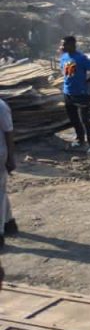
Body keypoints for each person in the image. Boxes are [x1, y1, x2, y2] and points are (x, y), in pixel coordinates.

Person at [59, 36, 90, 151]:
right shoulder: (63, 57)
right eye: (61, 44)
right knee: (74, 119)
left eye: (64, 44)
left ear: (72, 45)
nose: (61, 47)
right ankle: (80, 139)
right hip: (67, 93)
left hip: (81, 94)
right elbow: (67, 73)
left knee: (86, 120)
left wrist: (86, 81)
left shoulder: (81, 58)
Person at [0, 97, 17, 249]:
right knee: (1, 191)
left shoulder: (1, 106)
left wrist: (11, 157)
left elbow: (9, 132)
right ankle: (9, 223)